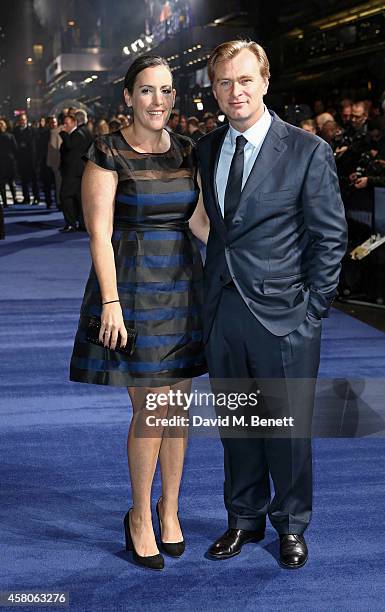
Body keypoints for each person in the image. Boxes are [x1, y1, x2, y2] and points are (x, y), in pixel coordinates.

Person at [196, 40, 347, 569]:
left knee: (287, 432)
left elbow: (331, 237)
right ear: (213, 89)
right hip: (223, 313)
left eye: (244, 80)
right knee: (237, 428)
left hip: (286, 316)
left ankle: (291, 526)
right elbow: (218, 229)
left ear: (264, 81)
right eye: (223, 83)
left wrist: (313, 309)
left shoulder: (306, 150)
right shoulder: (208, 147)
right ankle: (243, 519)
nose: (234, 92)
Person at [69, 55, 209, 570]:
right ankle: (139, 517)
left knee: (178, 408)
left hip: (182, 287)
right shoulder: (107, 151)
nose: (158, 101)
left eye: (167, 91)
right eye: (147, 90)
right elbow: (99, 234)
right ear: (128, 97)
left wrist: (252, 260)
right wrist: (111, 302)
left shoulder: (189, 151)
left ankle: (170, 509)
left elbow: (198, 224)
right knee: (151, 409)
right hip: (130, 286)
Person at [59, 111, 92, 232]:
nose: (64, 126)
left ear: (74, 123)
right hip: (77, 171)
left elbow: (70, 146)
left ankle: (71, 224)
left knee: (65, 196)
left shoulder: (77, 134)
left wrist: (62, 133)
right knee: (78, 198)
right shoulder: (79, 133)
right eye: (64, 123)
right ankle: (81, 224)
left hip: (73, 172)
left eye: (67, 123)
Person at [13, 113, 39, 204]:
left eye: (23, 119)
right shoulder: (15, 131)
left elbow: (36, 145)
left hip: (32, 159)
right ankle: (26, 198)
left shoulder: (32, 130)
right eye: (20, 120)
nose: (22, 121)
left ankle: (36, 197)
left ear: (26, 120)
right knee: (24, 180)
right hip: (21, 159)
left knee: (34, 180)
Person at [0, 118, 18, 207]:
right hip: (2, 162)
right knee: (2, 184)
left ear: (6, 126)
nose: (1, 126)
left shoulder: (11, 136)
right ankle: (5, 202)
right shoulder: (11, 136)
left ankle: (14, 199)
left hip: (10, 162)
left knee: (11, 182)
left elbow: (15, 149)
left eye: (2, 124)